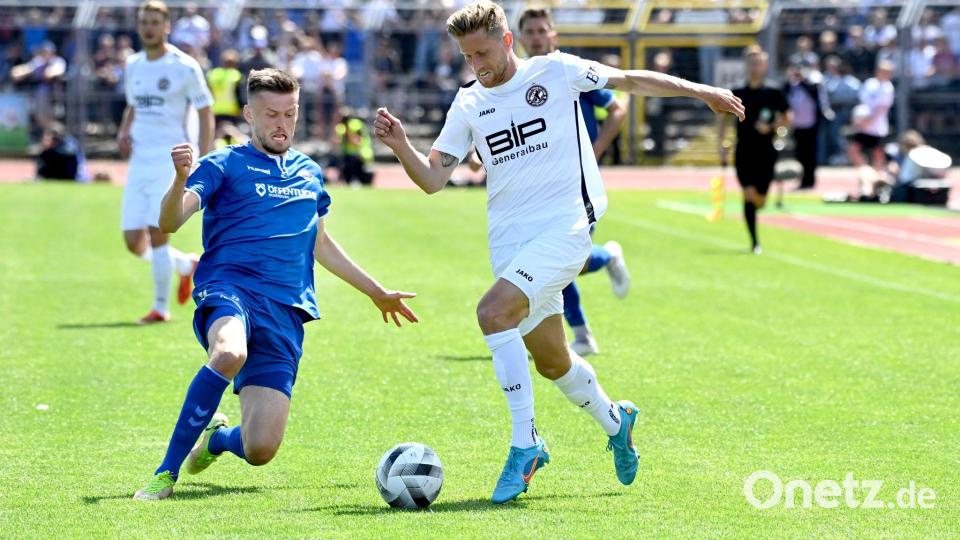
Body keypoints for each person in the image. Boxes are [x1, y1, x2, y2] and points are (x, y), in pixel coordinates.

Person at [374, 0, 743, 504]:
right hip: (508, 241)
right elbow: (435, 179)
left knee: (491, 312)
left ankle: (525, 446)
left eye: (482, 51)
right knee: (552, 361)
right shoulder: (467, 103)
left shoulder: (557, 71)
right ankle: (617, 422)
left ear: (507, 41)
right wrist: (400, 147)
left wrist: (702, 91)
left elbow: (630, 80)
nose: (476, 64)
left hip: (566, 229)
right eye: (466, 56)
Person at [133, 68, 418, 501]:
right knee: (230, 352)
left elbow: (321, 243)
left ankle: (214, 439)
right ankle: (164, 474)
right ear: (249, 113)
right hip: (229, 289)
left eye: (290, 113)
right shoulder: (224, 163)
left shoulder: (308, 171)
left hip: (285, 309)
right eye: (271, 114)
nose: (281, 124)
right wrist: (178, 179)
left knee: (260, 448)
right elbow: (169, 221)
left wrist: (375, 291)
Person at [516, 7, 630, 357]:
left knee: (570, 262)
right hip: (539, 187)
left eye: (542, 30)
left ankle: (607, 258)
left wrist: (593, 152)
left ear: (553, 36)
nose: (536, 36)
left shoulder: (571, 71)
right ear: (519, 39)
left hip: (577, 185)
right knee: (553, 262)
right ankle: (580, 334)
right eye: (530, 31)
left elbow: (618, 110)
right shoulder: (516, 79)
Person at [117, 0, 215, 324]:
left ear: (166, 27)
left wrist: (204, 155)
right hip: (139, 161)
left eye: (155, 22)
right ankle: (186, 265)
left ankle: (160, 307)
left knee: (158, 231)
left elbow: (204, 109)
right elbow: (133, 104)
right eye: (144, 22)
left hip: (168, 159)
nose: (149, 27)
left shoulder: (184, 66)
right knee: (133, 241)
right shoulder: (133, 64)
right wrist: (124, 131)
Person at [719, 46, 791, 254]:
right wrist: (722, 145)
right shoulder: (738, 92)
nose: (755, 66)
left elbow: (787, 118)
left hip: (766, 151)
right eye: (751, 62)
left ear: (765, 65)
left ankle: (756, 212)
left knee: (760, 199)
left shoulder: (773, 92)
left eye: (758, 62)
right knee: (748, 193)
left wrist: (770, 127)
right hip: (744, 150)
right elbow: (724, 118)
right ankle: (754, 242)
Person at [848, 60, 895, 199]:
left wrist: (868, 121)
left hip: (877, 128)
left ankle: (876, 180)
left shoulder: (888, 88)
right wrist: (859, 120)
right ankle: (865, 172)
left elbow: (881, 108)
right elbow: (863, 103)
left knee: (878, 154)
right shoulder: (870, 84)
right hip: (864, 127)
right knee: (853, 149)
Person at [783, 63, 832, 190]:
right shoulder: (792, 86)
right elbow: (784, 93)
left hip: (811, 125)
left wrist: (803, 80)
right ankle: (802, 179)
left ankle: (809, 181)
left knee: (810, 154)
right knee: (800, 154)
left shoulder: (813, 85)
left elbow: (816, 96)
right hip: (798, 125)